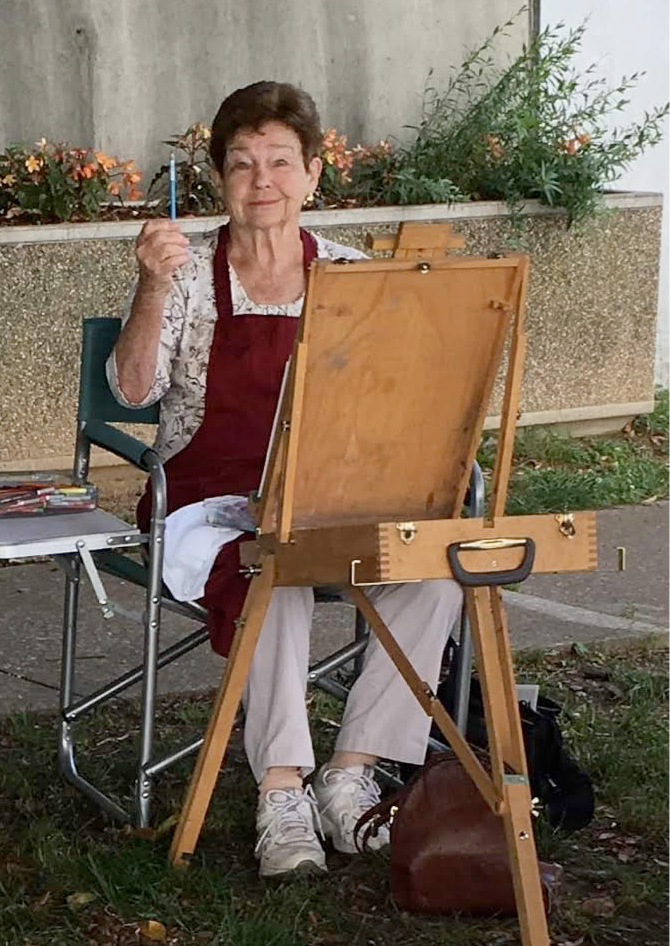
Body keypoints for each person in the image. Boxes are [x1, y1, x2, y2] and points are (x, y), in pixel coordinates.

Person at [108, 81, 462, 878]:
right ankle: (280, 792)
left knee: (432, 572)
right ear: (219, 179)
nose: (260, 180)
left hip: (328, 493)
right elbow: (132, 392)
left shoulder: (352, 274)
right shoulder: (187, 271)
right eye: (241, 164)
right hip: (205, 499)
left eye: (279, 162)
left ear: (312, 176)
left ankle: (350, 774)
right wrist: (150, 285)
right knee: (278, 572)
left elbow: (395, 399)